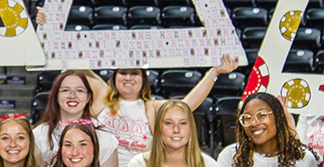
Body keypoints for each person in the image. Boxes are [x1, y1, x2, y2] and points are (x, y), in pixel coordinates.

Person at [86, 56, 239, 160]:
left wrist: (214, 72)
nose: (128, 77)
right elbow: (77, 65)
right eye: (123, 73)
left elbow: (186, 105)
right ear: (114, 78)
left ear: (143, 80)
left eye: (134, 73)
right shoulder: (101, 97)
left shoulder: (151, 107)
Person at [33, 70, 121, 167]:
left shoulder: (104, 137)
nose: (72, 95)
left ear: (88, 97)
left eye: (79, 90)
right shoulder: (38, 134)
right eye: (65, 90)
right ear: (56, 96)